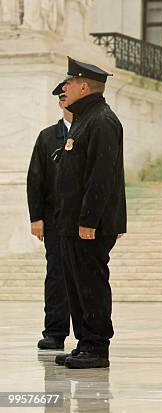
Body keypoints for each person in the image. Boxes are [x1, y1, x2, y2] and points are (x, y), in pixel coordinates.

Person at [52, 56, 126, 369]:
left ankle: (97, 347)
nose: (62, 90)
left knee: (91, 283)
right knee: (76, 284)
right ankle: (84, 342)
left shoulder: (103, 121)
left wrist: (88, 221)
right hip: (71, 222)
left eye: (67, 84)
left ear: (83, 85)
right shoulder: (84, 120)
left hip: (89, 225)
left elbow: (101, 176)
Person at [27, 81, 73, 350]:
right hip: (54, 220)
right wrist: (36, 218)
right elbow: (35, 179)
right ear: (60, 103)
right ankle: (55, 332)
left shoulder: (89, 131)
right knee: (56, 274)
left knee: (82, 278)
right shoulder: (47, 137)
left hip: (81, 219)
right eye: (64, 99)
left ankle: (86, 333)